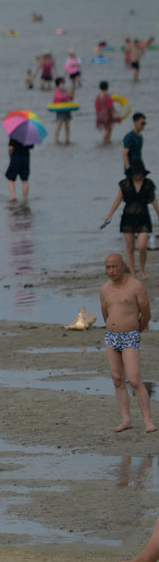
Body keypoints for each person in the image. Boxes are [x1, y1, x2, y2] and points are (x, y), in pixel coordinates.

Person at [99, 252, 155, 433]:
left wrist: (136, 330)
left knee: (135, 380)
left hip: (130, 336)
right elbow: (105, 313)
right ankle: (126, 419)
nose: (111, 270)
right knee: (117, 379)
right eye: (108, 267)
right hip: (111, 337)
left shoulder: (136, 286)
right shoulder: (104, 289)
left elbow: (146, 314)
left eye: (114, 266)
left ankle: (148, 421)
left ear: (123, 266)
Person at [103, 165, 159, 280]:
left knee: (142, 246)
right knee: (130, 247)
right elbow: (118, 199)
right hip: (128, 218)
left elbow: (153, 201)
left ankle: (142, 270)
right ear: (131, 174)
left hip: (143, 217)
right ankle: (133, 273)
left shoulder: (148, 184)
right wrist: (110, 214)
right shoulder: (125, 184)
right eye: (135, 173)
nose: (138, 175)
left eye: (139, 172)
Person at [5, 135, 33, 202]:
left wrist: (10, 157)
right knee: (25, 180)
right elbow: (31, 146)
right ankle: (25, 199)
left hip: (16, 156)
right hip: (26, 157)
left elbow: (11, 148)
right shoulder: (29, 134)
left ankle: (12, 196)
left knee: (10, 179)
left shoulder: (14, 134)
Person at [96, 81, 119, 145]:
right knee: (108, 129)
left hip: (100, 115)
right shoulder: (107, 97)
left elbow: (97, 107)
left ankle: (107, 142)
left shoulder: (98, 97)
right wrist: (114, 115)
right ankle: (105, 142)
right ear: (107, 87)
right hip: (107, 115)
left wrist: (98, 116)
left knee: (107, 129)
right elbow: (110, 107)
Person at [52, 77, 73, 145]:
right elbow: (60, 97)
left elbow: (71, 98)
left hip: (67, 110)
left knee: (67, 125)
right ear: (58, 84)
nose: (63, 85)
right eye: (61, 83)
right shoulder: (56, 91)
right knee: (59, 125)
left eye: (63, 83)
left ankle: (67, 139)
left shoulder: (65, 90)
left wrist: (72, 92)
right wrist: (67, 95)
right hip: (60, 110)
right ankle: (56, 139)